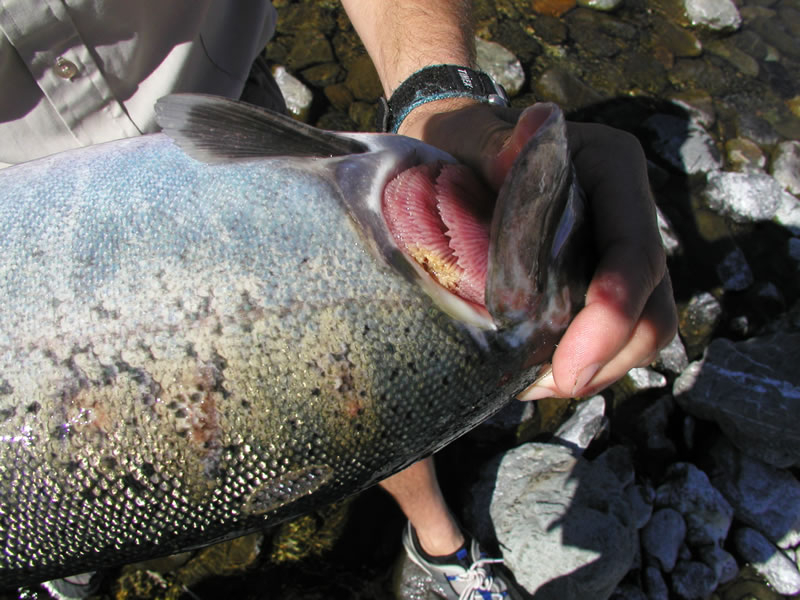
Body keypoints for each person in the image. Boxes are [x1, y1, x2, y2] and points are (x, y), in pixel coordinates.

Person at [0, 1, 677, 598]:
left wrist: (438, 98)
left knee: (362, 394)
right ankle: (67, 566)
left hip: (227, 110)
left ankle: (436, 535)